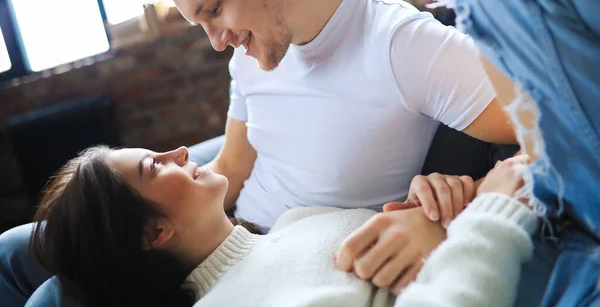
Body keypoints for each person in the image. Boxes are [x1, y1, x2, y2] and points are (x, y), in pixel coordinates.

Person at [0, 0, 518, 304]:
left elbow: (555, 135)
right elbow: (231, 167)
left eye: (214, 10)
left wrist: (444, 215)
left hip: (300, 258)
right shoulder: (253, 52)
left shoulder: (401, 46)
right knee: (13, 251)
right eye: (198, 23)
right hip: (222, 241)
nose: (216, 42)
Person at [335, 0, 600, 306]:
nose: (485, 63)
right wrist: (453, 206)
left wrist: (482, 218)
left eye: (490, 39)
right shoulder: (559, 184)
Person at [25, 144, 536, 307]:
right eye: (154, 167)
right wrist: (492, 217)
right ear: (153, 233)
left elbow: (432, 251)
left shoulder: (299, 220)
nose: (181, 150)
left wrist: (445, 206)